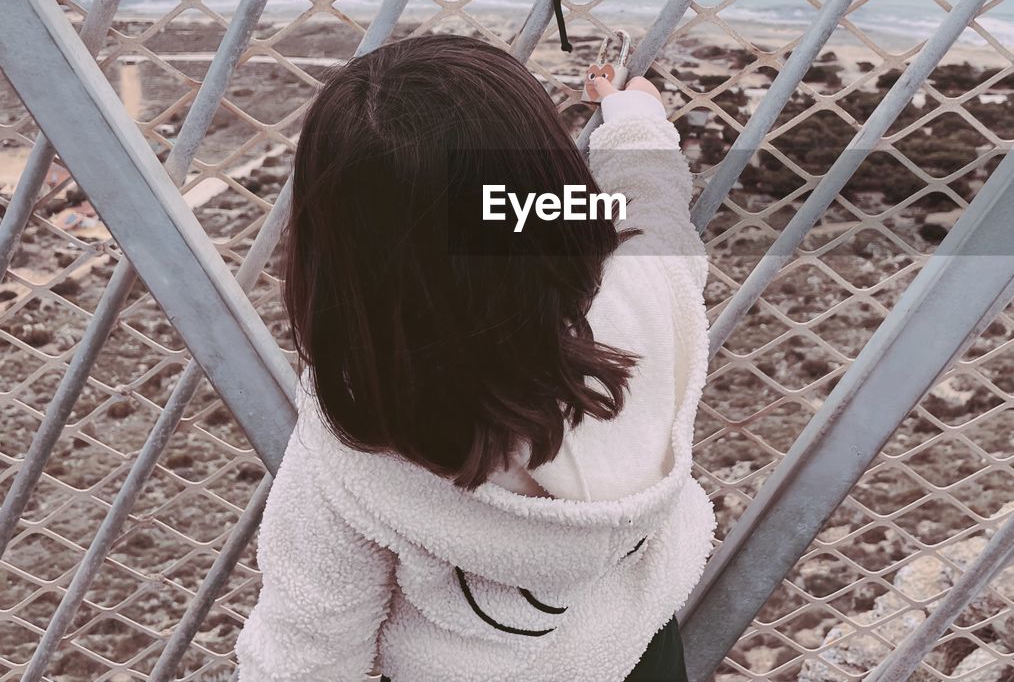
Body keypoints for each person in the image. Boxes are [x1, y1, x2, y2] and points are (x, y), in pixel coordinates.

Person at [234, 34, 713, 682]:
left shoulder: (364, 441)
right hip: (641, 653)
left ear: (334, 251)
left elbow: (308, 650)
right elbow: (655, 217)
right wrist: (636, 124)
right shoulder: (643, 301)